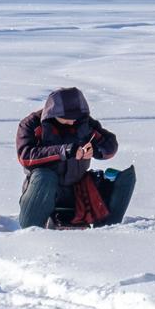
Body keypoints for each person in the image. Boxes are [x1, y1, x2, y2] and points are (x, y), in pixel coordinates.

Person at [15, 86, 135, 229]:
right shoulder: (32, 124)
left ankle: (107, 232)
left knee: (124, 178)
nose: (72, 122)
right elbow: (26, 156)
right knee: (44, 176)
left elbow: (110, 144)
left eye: (75, 118)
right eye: (67, 119)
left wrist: (96, 150)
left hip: (78, 189)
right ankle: (33, 233)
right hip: (44, 188)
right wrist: (64, 151)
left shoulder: (85, 123)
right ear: (54, 113)